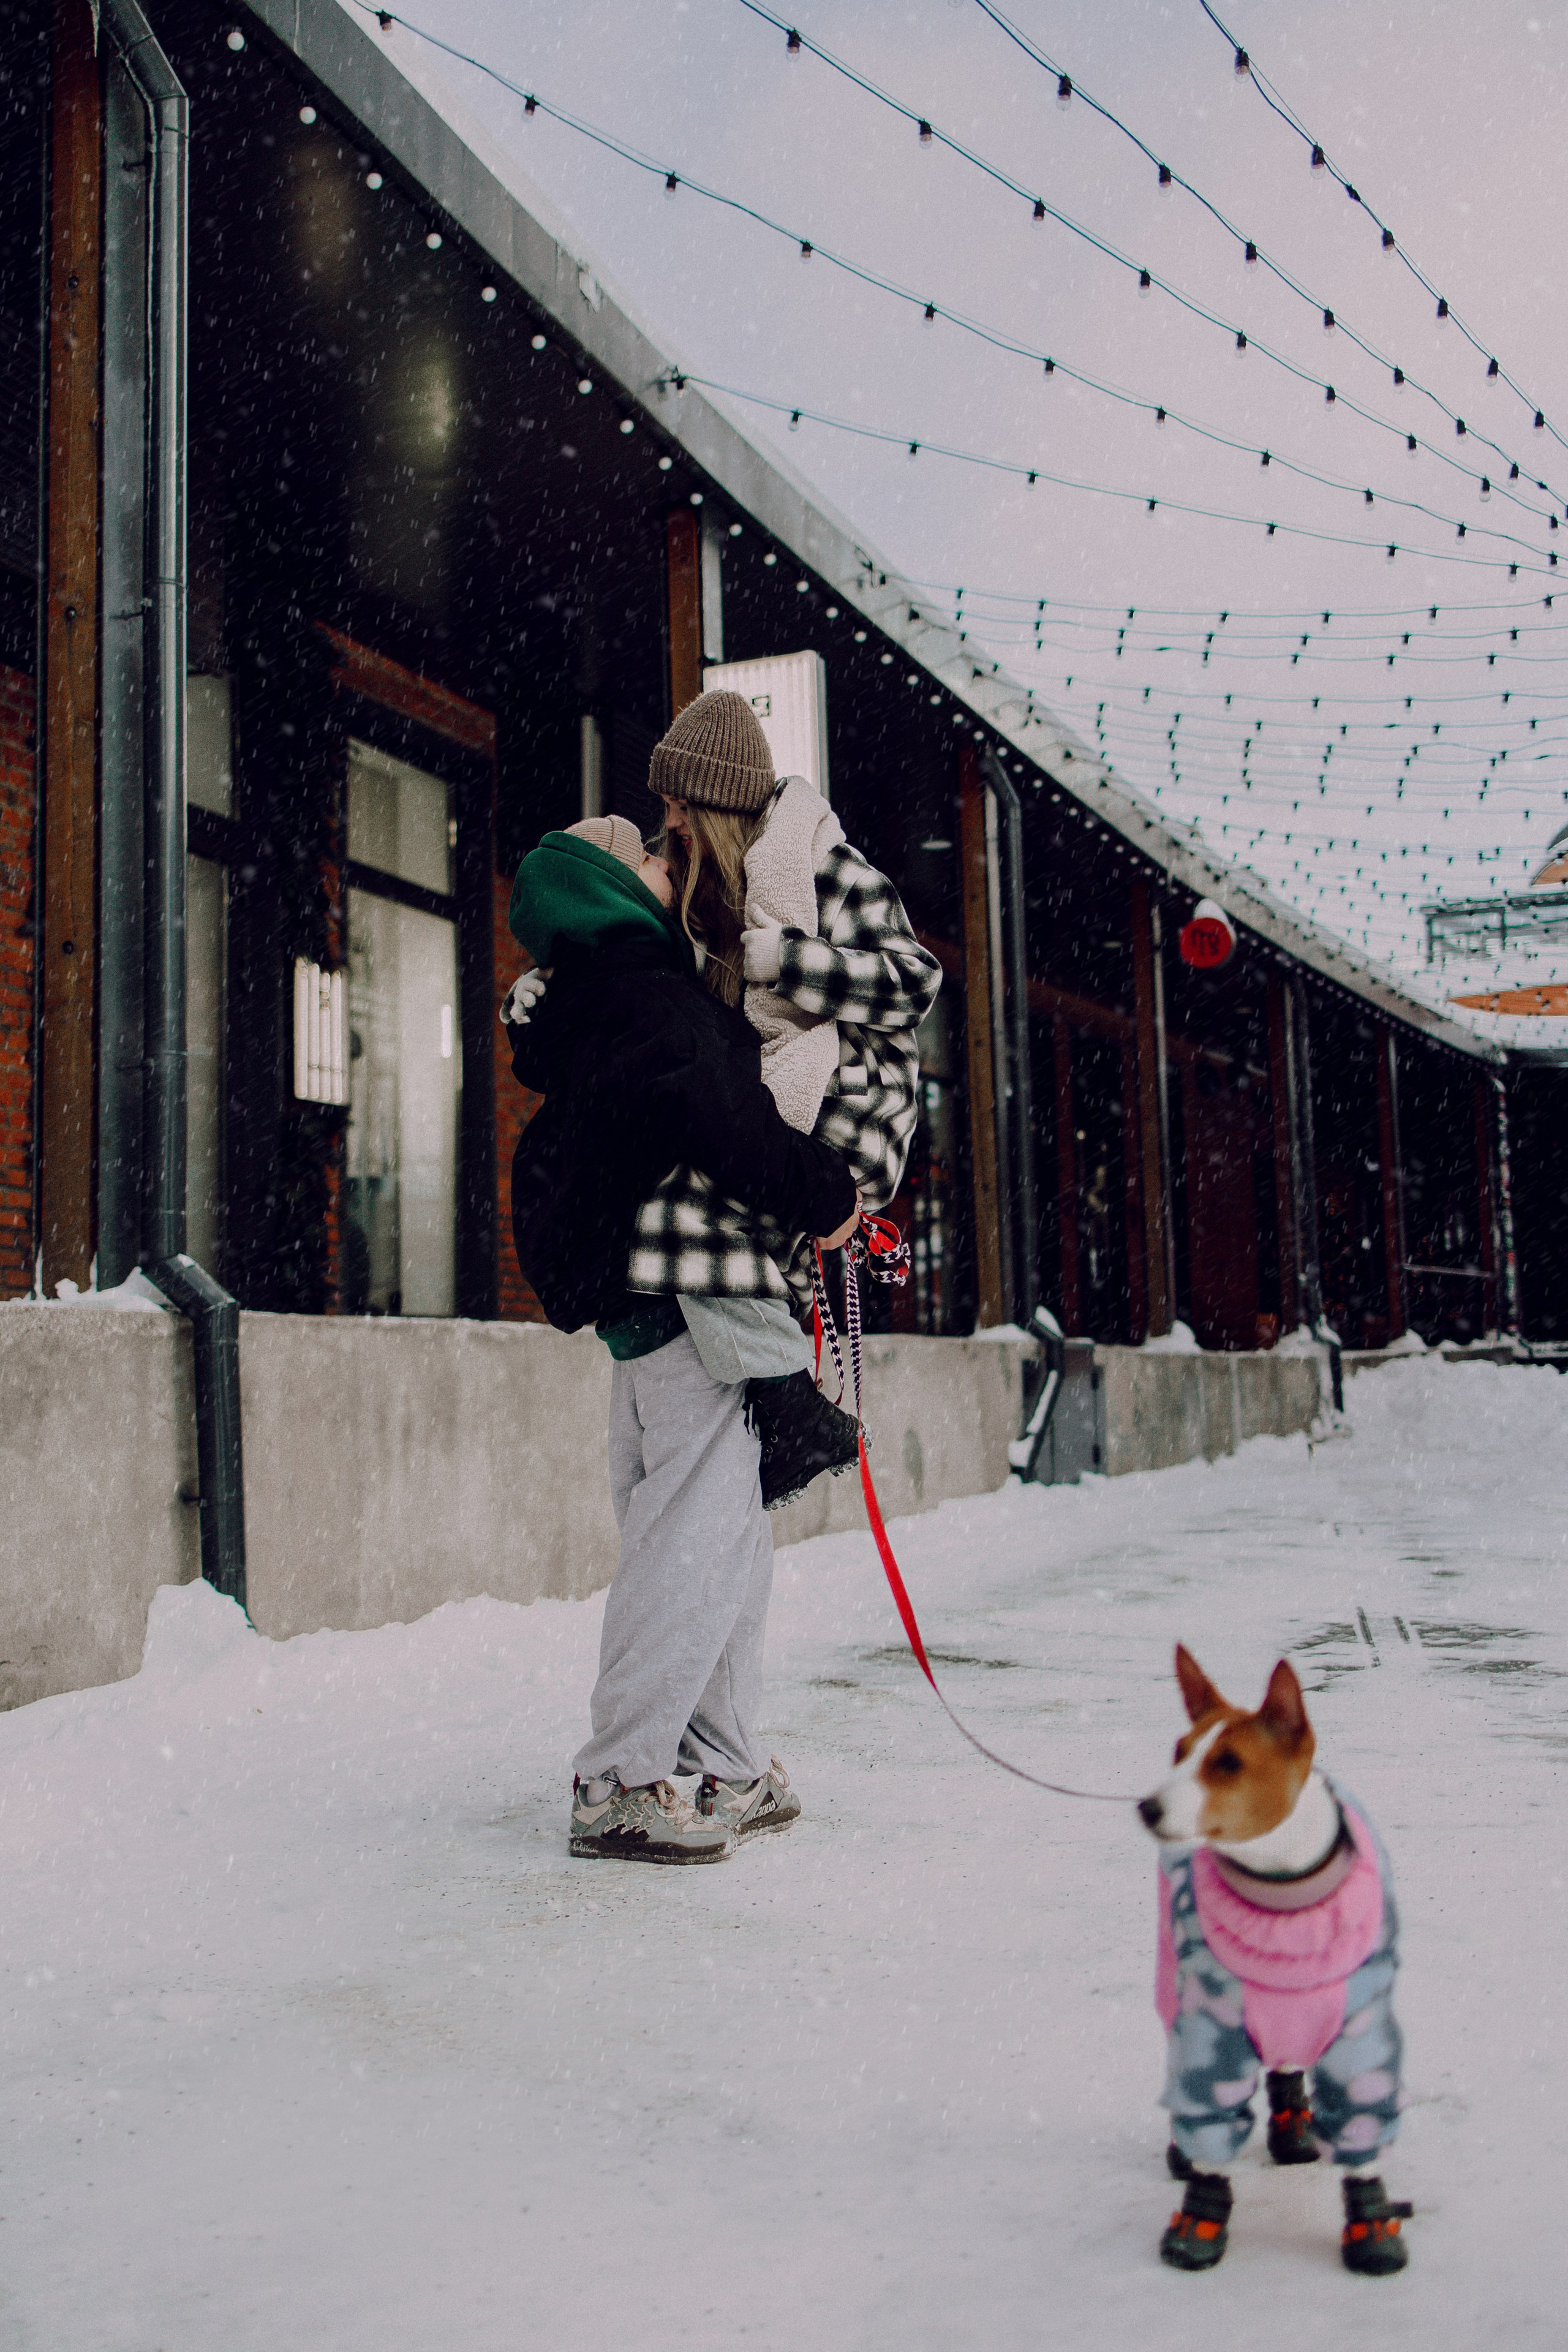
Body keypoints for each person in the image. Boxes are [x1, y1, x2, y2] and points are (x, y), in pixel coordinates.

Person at [506, 811, 858, 1864]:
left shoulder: (590, 999)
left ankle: (728, 1763)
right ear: (611, 887)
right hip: (682, 1304)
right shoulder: (645, 999)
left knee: (716, 1534)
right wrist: (826, 1192)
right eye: (653, 859)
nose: (674, 865)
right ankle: (619, 1779)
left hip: (641, 1301)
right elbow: (730, 1124)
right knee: (693, 1540)